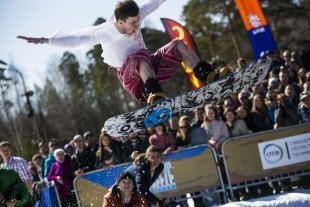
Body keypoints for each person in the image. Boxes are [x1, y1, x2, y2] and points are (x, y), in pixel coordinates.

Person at [17, 0, 230, 104]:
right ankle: (154, 95)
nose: (138, 25)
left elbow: (155, 2)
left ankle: (208, 75)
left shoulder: (136, 17)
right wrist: (45, 40)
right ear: (119, 21)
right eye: (133, 23)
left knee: (177, 44)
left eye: (138, 20)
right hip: (133, 81)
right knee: (140, 56)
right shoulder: (104, 32)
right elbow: (74, 39)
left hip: (150, 70)